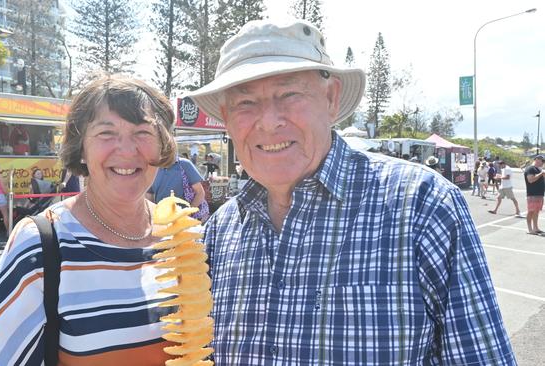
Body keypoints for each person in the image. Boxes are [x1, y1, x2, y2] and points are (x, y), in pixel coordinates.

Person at [189, 18, 515, 364]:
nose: (269, 121)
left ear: (331, 98)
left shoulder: (422, 205)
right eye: (245, 103)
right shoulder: (219, 233)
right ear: (226, 118)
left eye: (289, 94)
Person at [0, 74, 180, 365]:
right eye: (106, 133)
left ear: (163, 145)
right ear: (81, 148)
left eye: (143, 133)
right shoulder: (39, 245)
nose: (126, 149)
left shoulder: (183, 237)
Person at [147, 155, 209, 221]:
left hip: (185, 219)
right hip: (162, 219)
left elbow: (200, 193)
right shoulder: (152, 167)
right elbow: (149, 195)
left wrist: (188, 212)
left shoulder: (184, 164)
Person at [524, 155, 545, 235]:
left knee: (536, 211)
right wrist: (541, 174)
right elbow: (530, 180)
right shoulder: (530, 168)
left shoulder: (538, 169)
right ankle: (530, 229)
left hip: (539, 194)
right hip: (532, 194)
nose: (543, 163)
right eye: (542, 161)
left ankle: (535, 228)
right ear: (536, 159)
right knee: (531, 211)